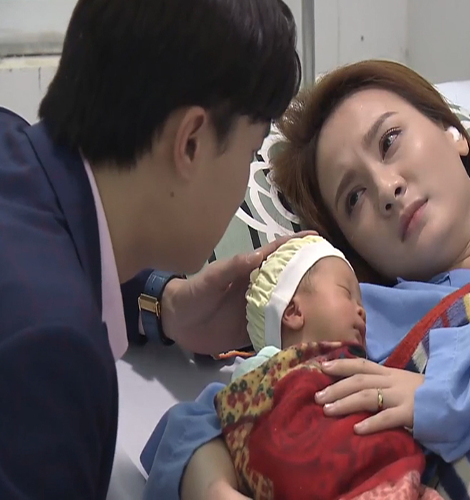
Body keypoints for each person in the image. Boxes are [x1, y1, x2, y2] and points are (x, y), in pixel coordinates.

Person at [140, 60, 470, 498]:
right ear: (356, 248)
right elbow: (201, 425)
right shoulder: (367, 324)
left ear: (454, 132)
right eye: (354, 198)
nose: (386, 187)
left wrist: (447, 393)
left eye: (389, 141)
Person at [0, 0, 305, 499]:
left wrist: (163, 305)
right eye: (251, 154)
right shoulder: (53, 356)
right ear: (191, 143)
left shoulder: (10, 136)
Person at [206, 234, 440, 499]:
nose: (362, 311)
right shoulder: (262, 373)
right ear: (293, 312)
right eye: (347, 294)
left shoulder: (371, 372)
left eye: (361, 303)